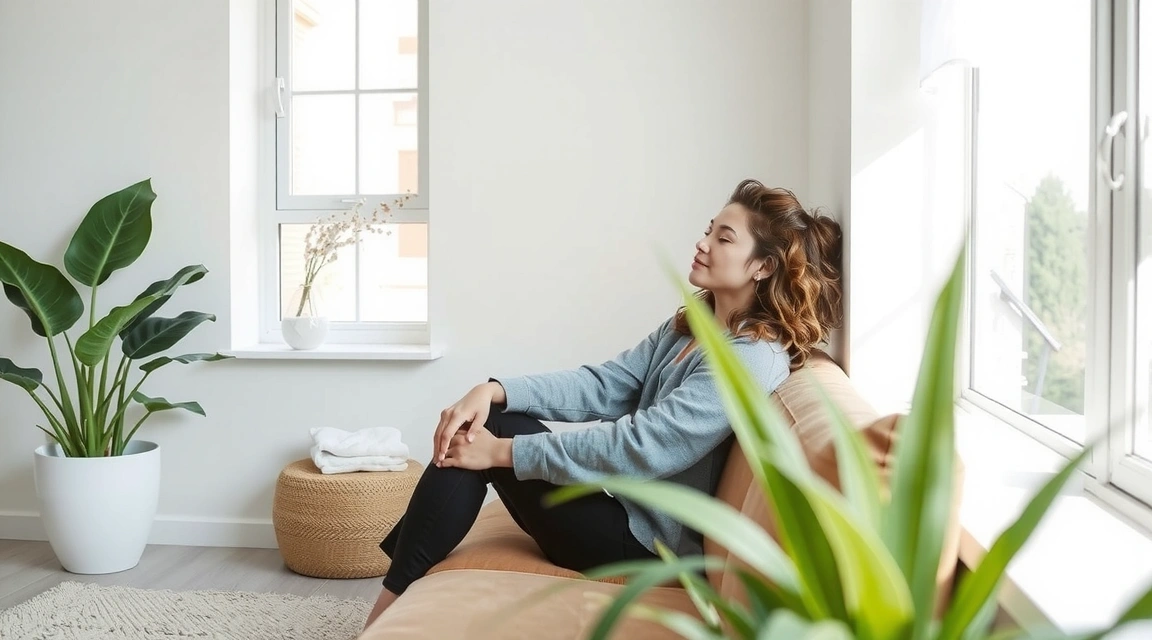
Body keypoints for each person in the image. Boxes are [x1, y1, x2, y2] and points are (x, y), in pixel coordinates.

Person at [362, 179, 843, 629]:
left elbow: (646, 445)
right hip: (622, 513)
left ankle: (386, 608)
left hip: (647, 546)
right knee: (495, 417)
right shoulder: (695, 322)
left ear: (762, 266)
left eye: (724, 238)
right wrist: (494, 388)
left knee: (491, 439)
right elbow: (607, 384)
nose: (703, 244)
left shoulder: (751, 358)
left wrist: (502, 453)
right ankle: (393, 604)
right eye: (707, 232)